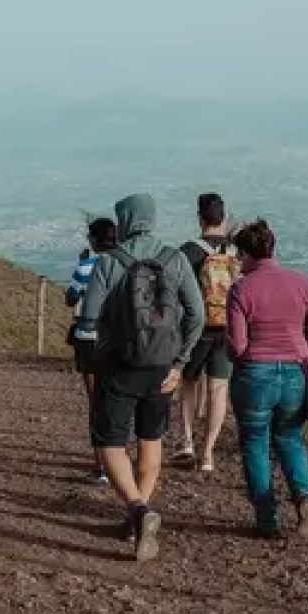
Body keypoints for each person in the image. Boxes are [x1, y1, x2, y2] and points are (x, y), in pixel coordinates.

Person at [79, 194, 204, 562]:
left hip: (118, 367)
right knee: (151, 440)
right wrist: (180, 362)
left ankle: (136, 510)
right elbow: (195, 315)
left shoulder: (108, 262)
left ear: (124, 222)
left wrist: (97, 350)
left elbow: (88, 320)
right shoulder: (175, 259)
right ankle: (139, 514)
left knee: (110, 443)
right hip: (163, 369)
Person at [227, 218, 308, 540]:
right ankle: (305, 499)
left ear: (247, 254)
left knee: (255, 444)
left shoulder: (241, 289)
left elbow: (238, 345)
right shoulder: (301, 282)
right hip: (296, 371)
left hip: (254, 373)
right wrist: (298, 347)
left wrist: (235, 354)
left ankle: (267, 518)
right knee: (290, 438)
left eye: (238, 255)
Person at [176, 193, 242, 475]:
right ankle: (207, 454)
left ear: (200, 218)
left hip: (195, 328)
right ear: (224, 218)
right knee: (218, 391)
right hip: (227, 328)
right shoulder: (236, 252)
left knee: (188, 383)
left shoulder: (189, 251)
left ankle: (187, 441)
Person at [66, 217, 117, 485]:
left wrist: (81, 265)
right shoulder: (122, 264)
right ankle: (118, 459)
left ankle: (100, 464)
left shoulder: (86, 266)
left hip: (87, 338)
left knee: (95, 400)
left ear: (93, 240)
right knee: (117, 399)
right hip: (117, 338)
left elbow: (70, 299)